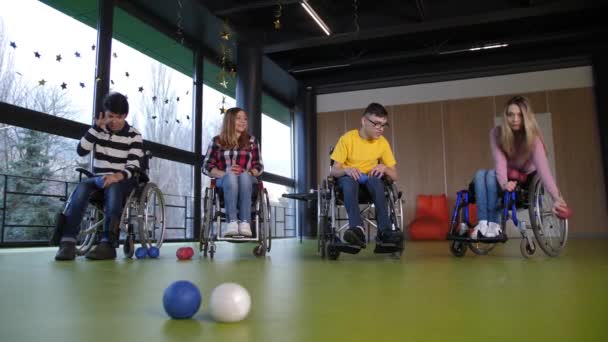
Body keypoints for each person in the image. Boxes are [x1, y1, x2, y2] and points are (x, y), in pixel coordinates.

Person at [53, 92, 144, 260]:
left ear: (125, 115)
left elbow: (134, 165)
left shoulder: (134, 135)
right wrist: (95, 129)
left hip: (122, 180)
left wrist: (117, 176)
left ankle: (107, 244)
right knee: (81, 188)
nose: (114, 121)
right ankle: (67, 242)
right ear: (105, 114)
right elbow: (81, 151)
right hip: (98, 178)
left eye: (119, 117)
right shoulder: (98, 131)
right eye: (111, 116)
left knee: (113, 187)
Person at [470, 95, 568, 239]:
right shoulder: (496, 133)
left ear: (526, 117)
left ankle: (495, 224)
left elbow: (544, 171)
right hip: (507, 174)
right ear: (505, 116)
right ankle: (484, 224)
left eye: (520, 115)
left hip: (526, 177)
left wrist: (556, 197)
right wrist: (504, 183)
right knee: (481, 174)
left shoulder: (533, 139)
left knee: (490, 175)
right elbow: (499, 162)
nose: (515, 119)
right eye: (511, 115)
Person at [329, 102, 402, 248]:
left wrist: (385, 168)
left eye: (383, 125)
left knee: (376, 181)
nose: (380, 129)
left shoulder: (382, 143)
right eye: (376, 124)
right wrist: (347, 170)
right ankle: (357, 230)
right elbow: (333, 171)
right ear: (363, 121)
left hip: (371, 184)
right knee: (349, 181)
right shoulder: (347, 139)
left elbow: (394, 175)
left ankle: (385, 232)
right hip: (349, 184)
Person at [202, 107, 264, 237]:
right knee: (231, 177)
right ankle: (232, 222)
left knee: (244, 177)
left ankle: (245, 222)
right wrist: (225, 174)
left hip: (248, 181)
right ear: (230, 120)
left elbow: (259, 165)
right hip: (224, 181)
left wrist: (247, 173)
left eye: (245, 119)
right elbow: (206, 166)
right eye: (238, 118)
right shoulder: (217, 141)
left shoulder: (252, 141)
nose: (243, 121)